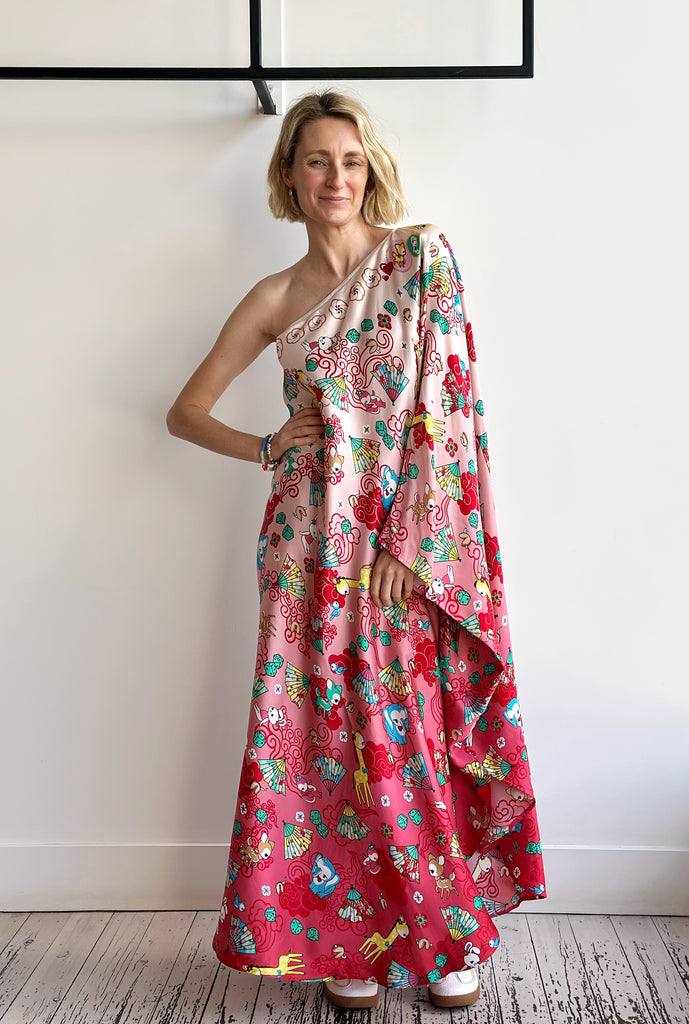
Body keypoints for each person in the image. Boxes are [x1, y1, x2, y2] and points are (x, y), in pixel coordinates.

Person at [166, 89, 547, 1011]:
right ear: (289, 176)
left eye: (349, 159)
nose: (335, 177)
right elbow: (185, 413)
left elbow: (446, 404)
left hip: (406, 545)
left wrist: (413, 542)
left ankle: (441, 933)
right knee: (323, 740)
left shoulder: (419, 257)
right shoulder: (272, 298)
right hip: (305, 545)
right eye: (316, 161)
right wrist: (266, 445)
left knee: (405, 730)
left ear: (369, 168)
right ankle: (350, 940)